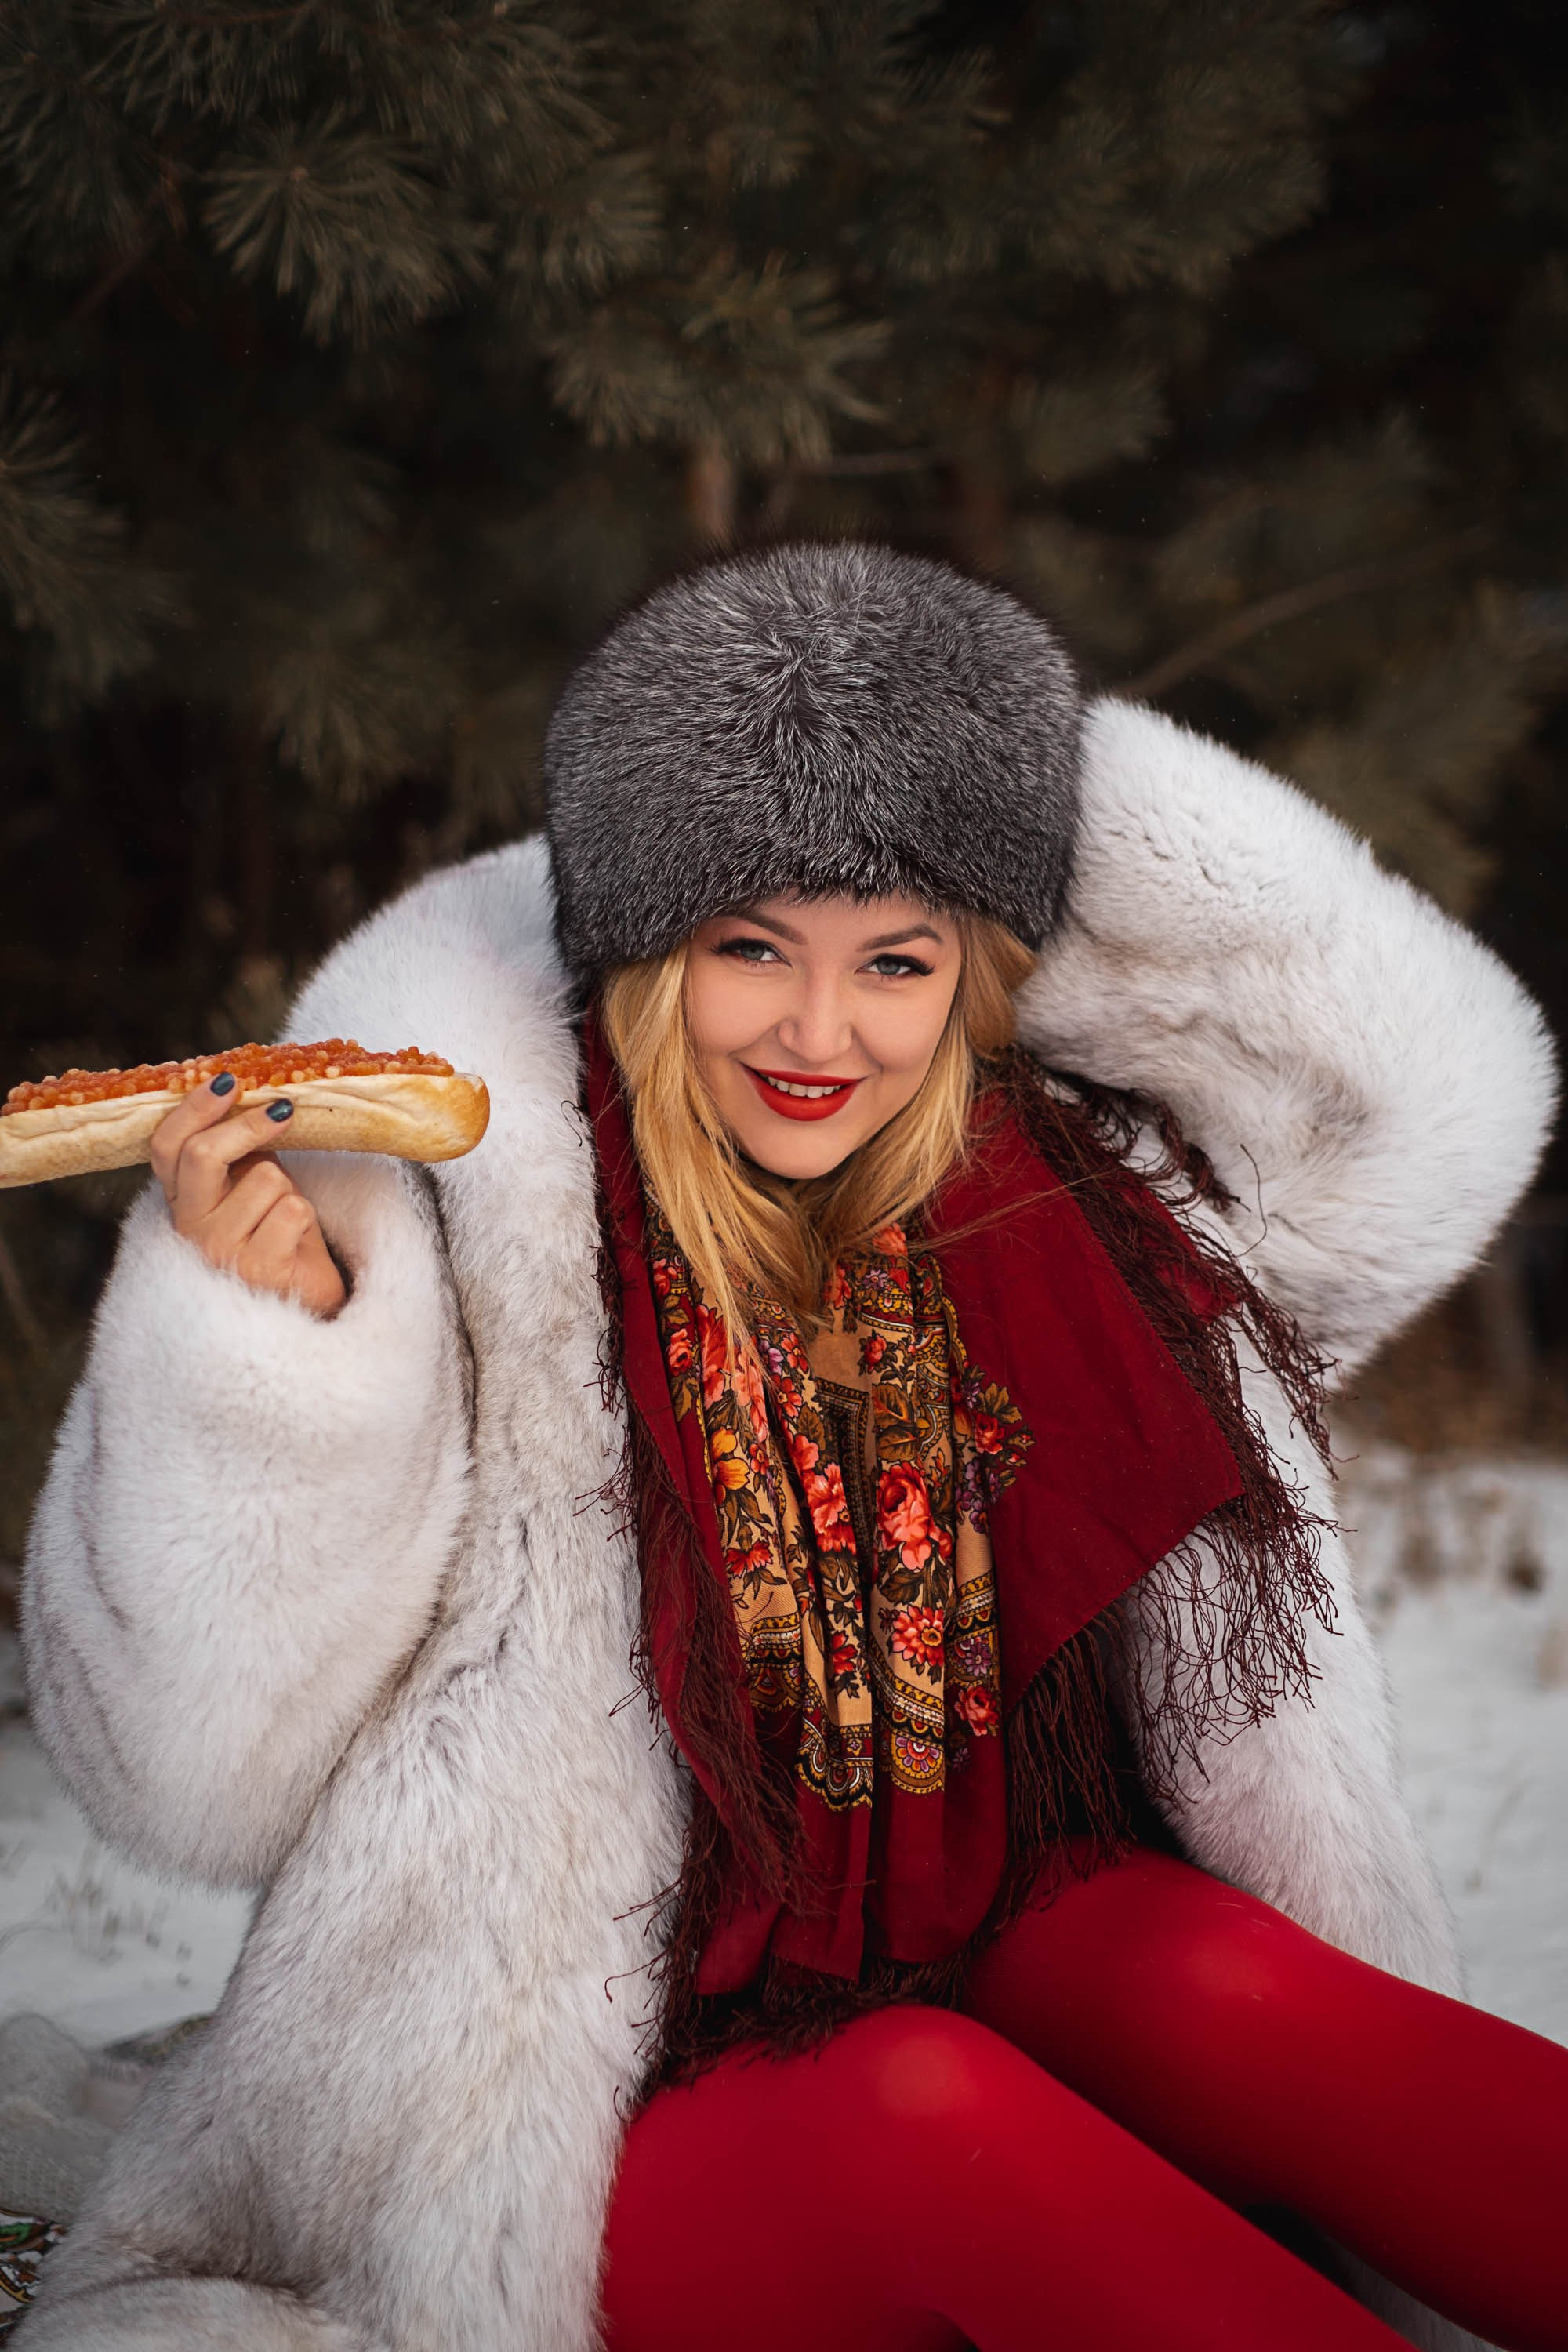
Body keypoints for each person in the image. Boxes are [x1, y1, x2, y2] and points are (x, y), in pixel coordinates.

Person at [11, 542, 1564, 2352]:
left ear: (981, 973)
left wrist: (1020, 770)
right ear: (645, 951)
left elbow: (1406, 1116)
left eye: (893, 960)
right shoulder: (462, 1206)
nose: (821, 1034)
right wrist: (265, 1360)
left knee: (1220, 1985)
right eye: (750, 947)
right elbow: (184, 1775)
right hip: (563, 2104)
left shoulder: (1073, 1184)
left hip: (993, 1936)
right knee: (921, 2102)